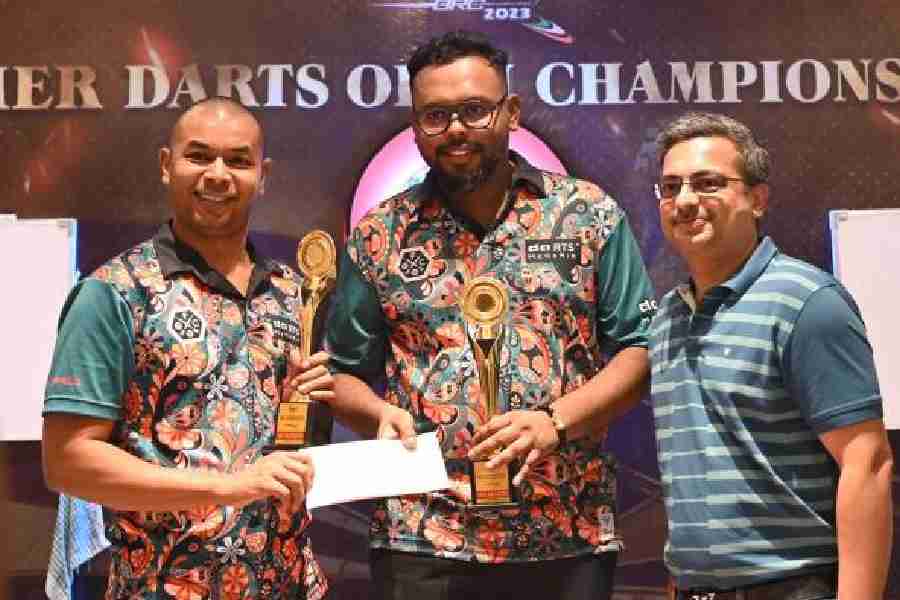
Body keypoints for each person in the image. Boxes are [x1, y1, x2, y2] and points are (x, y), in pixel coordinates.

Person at [324, 30, 655, 600]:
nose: (455, 128)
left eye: (475, 110)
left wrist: (556, 421)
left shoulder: (587, 214)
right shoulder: (379, 234)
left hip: (566, 532)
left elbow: (640, 350)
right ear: (415, 127)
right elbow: (343, 372)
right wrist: (378, 414)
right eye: (436, 115)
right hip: (422, 536)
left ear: (512, 113)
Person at [41, 97, 332, 600]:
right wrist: (229, 486)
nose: (218, 175)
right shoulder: (115, 292)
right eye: (199, 156)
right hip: (163, 588)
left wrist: (317, 400)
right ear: (165, 165)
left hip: (288, 584)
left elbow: (294, 449)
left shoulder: (293, 293)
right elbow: (69, 461)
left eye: (238, 161)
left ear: (262, 176)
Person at [650, 112, 893, 600]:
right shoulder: (667, 319)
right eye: (670, 186)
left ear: (756, 199)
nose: (685, 201)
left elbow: (868, 464)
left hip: (791, 586)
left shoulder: (807, 302)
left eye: (707, 183)